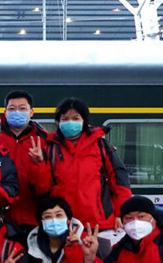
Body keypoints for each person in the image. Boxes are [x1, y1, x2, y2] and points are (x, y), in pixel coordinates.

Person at [46, 97, 132, 231]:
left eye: (75, 118)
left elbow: (120, 180)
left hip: (100, 224)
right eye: (64, 119)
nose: (70, 122)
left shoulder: (100, 145)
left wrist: (121, 213)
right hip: (63, 224)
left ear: (84, 121)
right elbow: (42, 186)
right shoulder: (50, 147)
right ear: (58, 121)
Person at [0, 91, 51, 239]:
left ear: (31, 112)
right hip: (1, 219)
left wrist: (39, 163)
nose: (17, 112)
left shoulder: (44, 140)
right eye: (12, 109)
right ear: (5, 112)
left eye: (22, 108)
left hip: (35, 219)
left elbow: (45, 188)